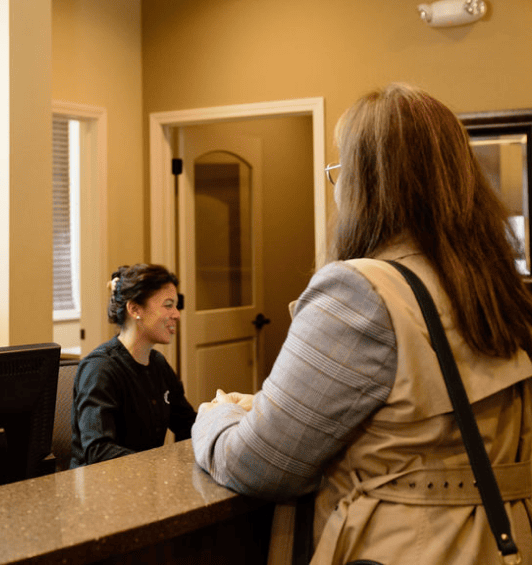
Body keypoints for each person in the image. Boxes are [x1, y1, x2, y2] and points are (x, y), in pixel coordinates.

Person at [192, 83, 532, 564]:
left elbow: (260, 464)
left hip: (403, 546)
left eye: (339, 172)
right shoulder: (497, 288)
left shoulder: (360, 291)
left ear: (363, 183)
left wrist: (214, 417)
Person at [70, 263, 197, 467]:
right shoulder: (99, 369)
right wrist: (160, 465)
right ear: (135, 309)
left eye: (175, 305)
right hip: (99, 491)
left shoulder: (158, 364)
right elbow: (99, 451)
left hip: (145, 484)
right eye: (168, 304)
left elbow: (187, 425)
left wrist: (224, 420)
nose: (177, 314)